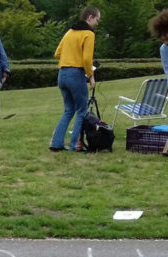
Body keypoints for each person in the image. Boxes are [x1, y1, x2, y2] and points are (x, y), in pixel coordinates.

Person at [49, 6, 100, 152]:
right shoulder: (89, 34)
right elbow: (86, 59)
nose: (97, 23)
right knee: (82, 111)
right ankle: (74, 146)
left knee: (68, 111)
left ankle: (56, 144)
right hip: (75, 74)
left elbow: (57, 53)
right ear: (90, 17)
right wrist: (91, 76)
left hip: (62, 74)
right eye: (97, 19)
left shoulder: (69, 32)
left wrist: (70, 55)